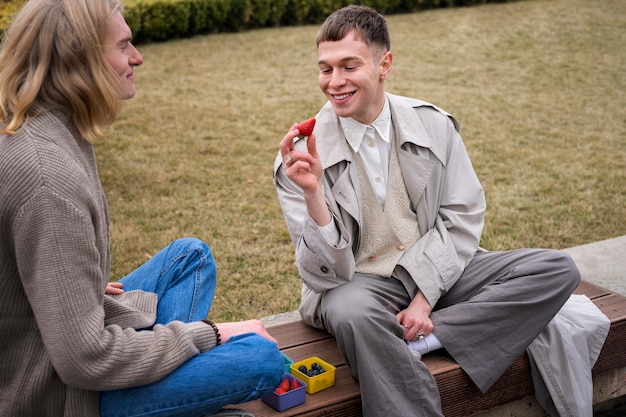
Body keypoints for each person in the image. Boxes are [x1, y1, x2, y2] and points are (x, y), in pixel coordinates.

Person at [273, 5, 581, 416]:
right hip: (358, 283)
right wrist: (313, 196)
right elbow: (320, 274)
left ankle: (428, 340)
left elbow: (462, 216)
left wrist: (423, 299)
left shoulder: (433, 125)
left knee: (556, 269)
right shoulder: (298, 160)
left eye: (350, 66)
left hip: (435, 267)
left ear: (385, 65)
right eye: (325, 69)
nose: (335, 82)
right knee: (349, 313)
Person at [0, 1, 283, 416]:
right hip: (57, 394)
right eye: (123, 46)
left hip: (58, 337)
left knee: (190, 256)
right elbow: (85, 360)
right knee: (261, 360)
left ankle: (168, 387)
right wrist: (210, 334)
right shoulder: (48, 179)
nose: (137, 57)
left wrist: (72, 290)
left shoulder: (44, 128)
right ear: (82, 61)